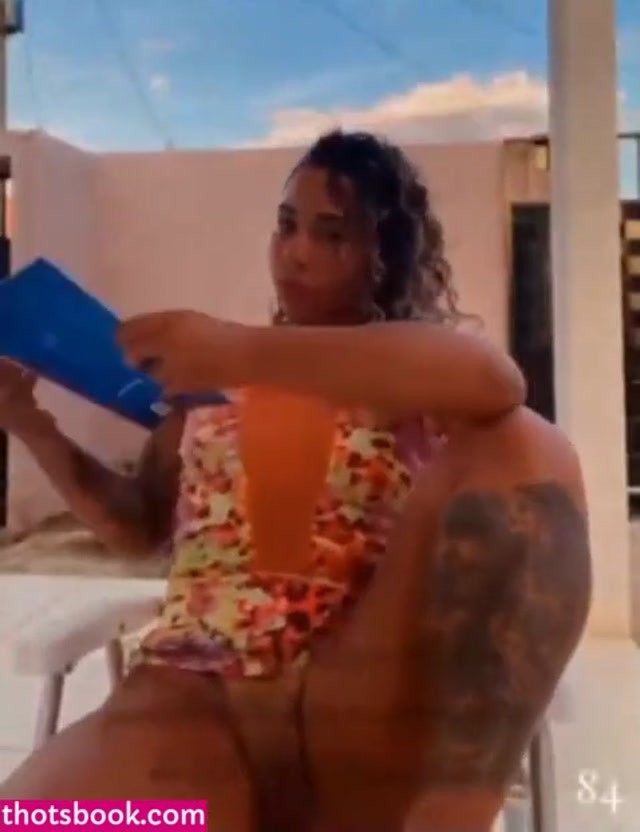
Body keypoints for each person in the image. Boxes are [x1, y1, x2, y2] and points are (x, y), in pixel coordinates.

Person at [0, 129, 591, 832]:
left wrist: (236, 348)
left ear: (383, 255)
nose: (297, 251)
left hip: (359, 699)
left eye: (331, 234)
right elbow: (137, 528)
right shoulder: (205, 386)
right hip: (197, 695)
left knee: (531, 445)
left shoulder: (408, 373)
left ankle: (453, 814)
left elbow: (497, 382)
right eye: (286, 226)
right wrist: (32, 424)